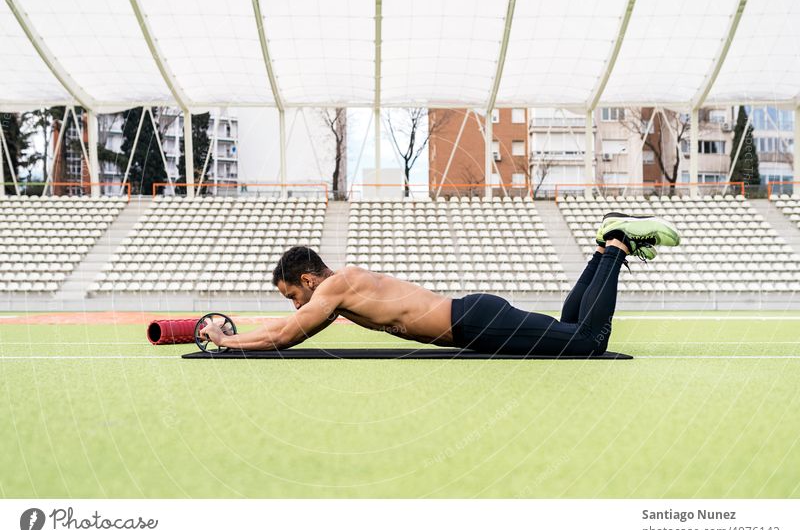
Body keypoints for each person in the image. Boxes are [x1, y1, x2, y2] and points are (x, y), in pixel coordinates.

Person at [199, 213, 680, 356]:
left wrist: (226, 340)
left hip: (473, 323)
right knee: (571, 328)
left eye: (293, 296)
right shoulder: (344, 285)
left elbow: (285, 335)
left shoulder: (335, 287)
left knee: (590, 342)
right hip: (474, 316)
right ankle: (602, 250)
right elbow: (290, 330)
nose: (296, 305)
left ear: (307, 279)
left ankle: (616, 244)